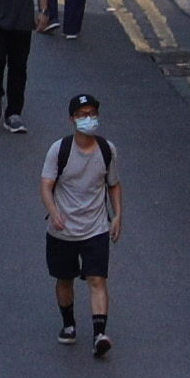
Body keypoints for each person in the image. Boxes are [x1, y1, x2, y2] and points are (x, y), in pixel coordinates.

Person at [40, 91, 122, 352]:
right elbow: (46, 185)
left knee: (97, 279)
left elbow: (114, 184)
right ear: (72, 119)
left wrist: (118, 214)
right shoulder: (59, 150)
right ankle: (68, 324)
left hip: (95, 228)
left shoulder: (107, 150)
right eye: (83, 115)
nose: (89, 119)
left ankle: (100, 334)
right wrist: (54, 212)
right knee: (65, 279)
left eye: (92, 114)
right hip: (62, 231)